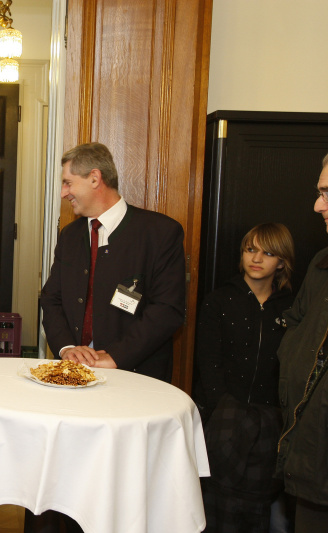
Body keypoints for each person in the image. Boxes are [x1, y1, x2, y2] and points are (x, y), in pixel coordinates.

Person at [33, 142, 186, 532]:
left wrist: (113, 357)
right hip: (70, 386)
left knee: (117, 499)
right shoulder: (69, 237)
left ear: (95, 178)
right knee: (59, 495)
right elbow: (50, 298)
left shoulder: (160, 233)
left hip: (132, 388)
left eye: (69, 182)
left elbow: (167, 311)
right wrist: (67, 348)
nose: (64, 192)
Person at [194, 223, 295, 533]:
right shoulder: (219, 300)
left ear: (282, 261)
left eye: (268, 252)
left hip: (271, 424)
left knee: (259, 511)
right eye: (251, 249)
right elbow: (208, 363)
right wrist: (223, 410)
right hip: (225, 418)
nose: (257, 258)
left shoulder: (292, 307)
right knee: (216, 508)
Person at [276, 153, 328, 533]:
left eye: (327, 193)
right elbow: (296, 324)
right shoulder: (321, 263)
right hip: (309, 456)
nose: (316, 205)